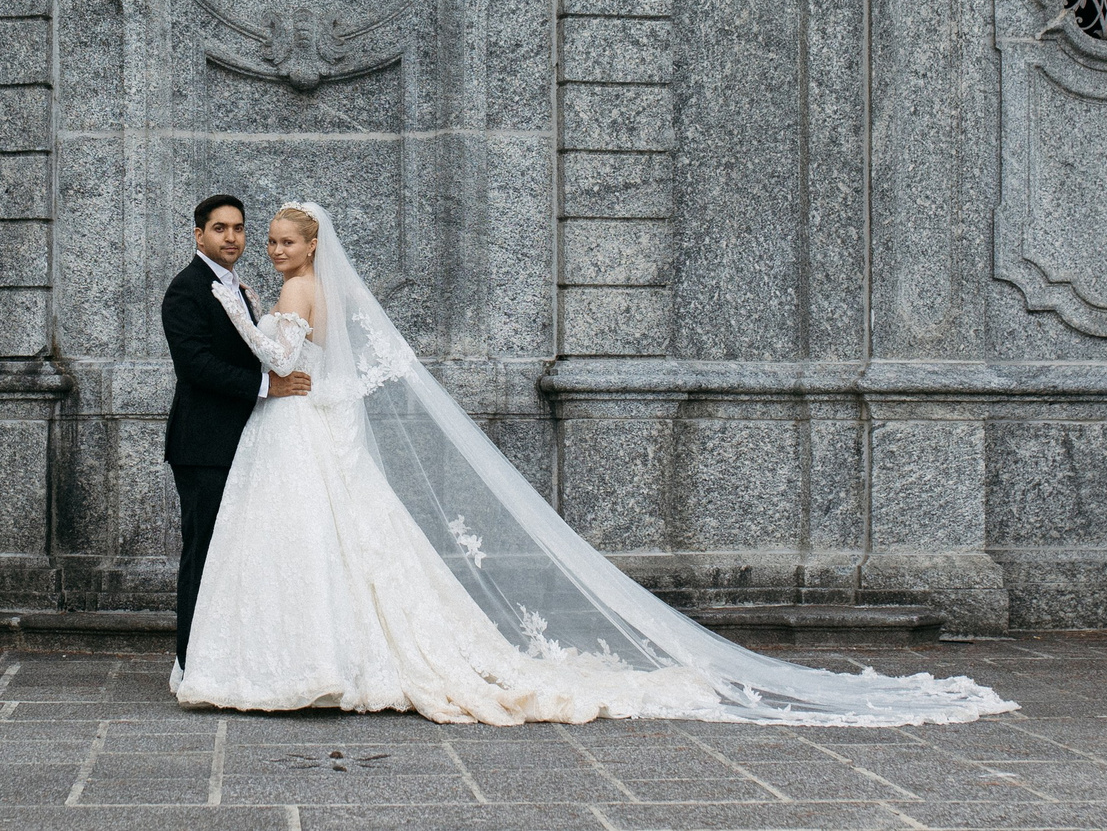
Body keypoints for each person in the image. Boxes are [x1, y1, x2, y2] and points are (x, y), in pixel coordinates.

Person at [168, 199, 1016, 727]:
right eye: (259, 238)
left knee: (310, 541)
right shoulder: (262, 290)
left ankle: (296, 659)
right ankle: (321, 655)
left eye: (279, 239)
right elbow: (290, 368)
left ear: (310, 248)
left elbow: (288, 371)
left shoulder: (286, 292)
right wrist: (280, 386)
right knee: (334, 542)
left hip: (298, 427)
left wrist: (278, 389)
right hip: (304, 426)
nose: (269, 249)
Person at [160, 193, 311, 671]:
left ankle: (224, 659)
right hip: (204, 443)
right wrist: (270, 385)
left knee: (234, 557)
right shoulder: (187, 288)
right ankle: (190, 663)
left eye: (239, 228)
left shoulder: (239, 288)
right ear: (198, 235)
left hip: (246, 443)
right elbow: (196, 366)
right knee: (202, 554)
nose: (232, 237)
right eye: (220, 228)